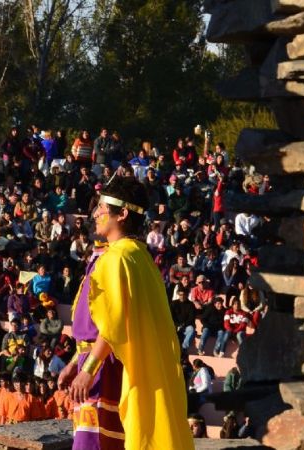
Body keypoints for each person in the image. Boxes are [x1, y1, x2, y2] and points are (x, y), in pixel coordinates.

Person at [57, 176, 193, 449]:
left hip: (103, 367)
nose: (95, 213)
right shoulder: (138, 256)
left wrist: (88, 369)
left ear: (122, 214)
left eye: (102, 209)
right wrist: (75, 362)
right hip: (100, 360)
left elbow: (116, 326)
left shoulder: (118, 258)